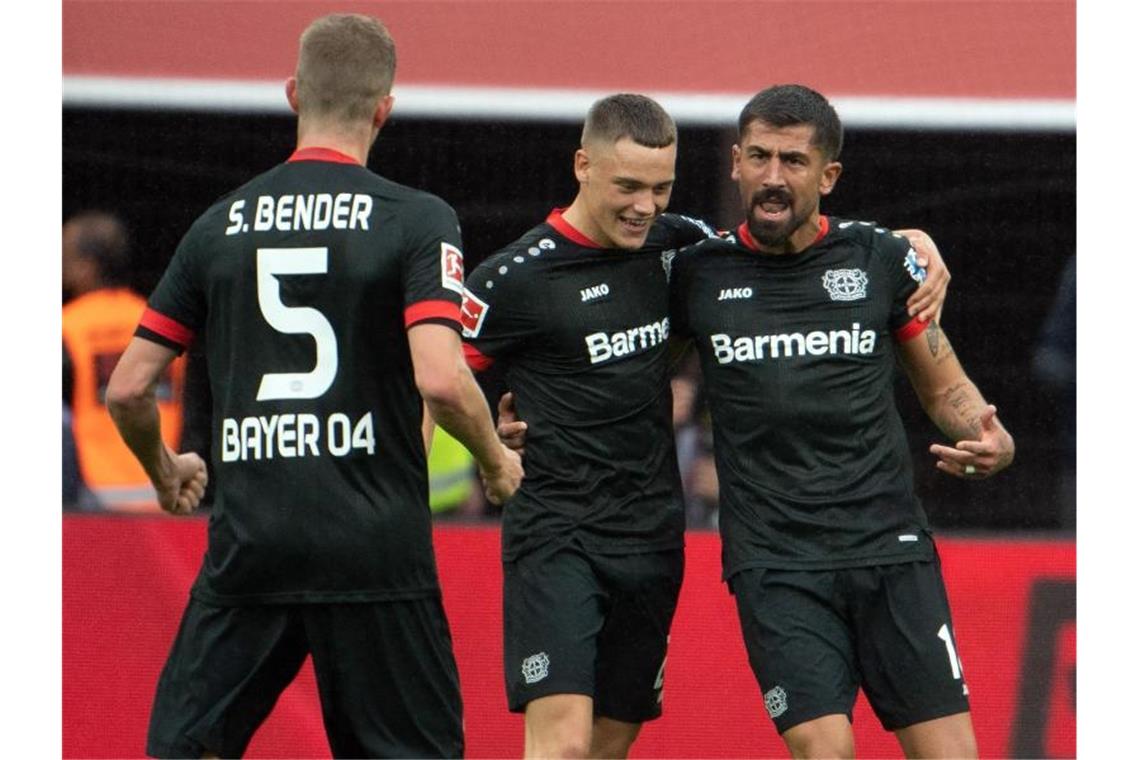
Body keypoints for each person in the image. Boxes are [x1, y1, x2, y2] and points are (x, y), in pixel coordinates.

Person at [464, 94, 949, 758]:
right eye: (627, 186)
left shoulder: (681, 250)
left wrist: (917, 246)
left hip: (649, 535)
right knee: (564, 745)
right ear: (582, 165)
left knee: (609, 742)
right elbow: (430, 365)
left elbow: (803, 247)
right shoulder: (516, 275)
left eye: (659, 188)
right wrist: (490, 444)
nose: (644, 205)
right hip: (556, 527)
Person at [105, 14, 522, 758]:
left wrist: (167, 475)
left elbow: (129, 389)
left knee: (183, 746)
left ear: (293, 94)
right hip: (374, 548)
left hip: (252, 545)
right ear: (385, 107)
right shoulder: (417, 220)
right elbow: (441, 377)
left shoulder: (217, 226)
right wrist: (495, 463)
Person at [669, 84, 1015, 758]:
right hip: (776, 562)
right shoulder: (695, 276)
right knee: (825, 751)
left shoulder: (878, 260)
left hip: (889, 548)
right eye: (760, 157)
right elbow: (639, 381)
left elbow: (945, 388)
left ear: (828, 176)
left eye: (794, 162)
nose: (773, 178)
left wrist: (985, 430)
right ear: (735, 161)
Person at [62, 211, 185, 510]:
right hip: (164, 491)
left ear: (88, 266)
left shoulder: (68, 326)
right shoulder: (159, 320)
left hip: (94, 499)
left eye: (66, 256)